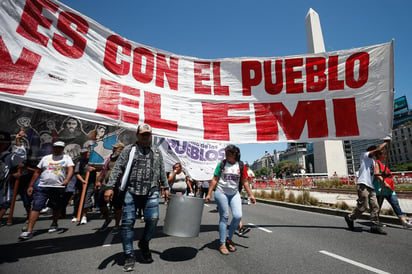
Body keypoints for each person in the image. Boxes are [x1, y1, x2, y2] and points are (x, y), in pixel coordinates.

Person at [104, 123, 170, 271]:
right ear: (138, 135)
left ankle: (144, 243)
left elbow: (161, 170)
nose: (146, 137)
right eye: (143, 135)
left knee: (153, 220)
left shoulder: (156, 151)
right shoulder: (129, 150)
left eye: (148, 134)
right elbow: (117, 168)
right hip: (131, 192)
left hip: (151, 191)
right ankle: (129, 255)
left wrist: (166, 187)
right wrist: (109, 187)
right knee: (127, 224)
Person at [205, 145, 256, 255]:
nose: (226, 155)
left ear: (234, 154)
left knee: (238, 216)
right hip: (221, 192)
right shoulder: (222, 164)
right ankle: (222, 243)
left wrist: (251, 195)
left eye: (228, 153)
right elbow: (214, 180)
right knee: (225, 216)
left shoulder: (241, 166)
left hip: (234, 193)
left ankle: (229, 238)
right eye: (226, 153)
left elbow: (245, 182)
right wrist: (209, 193)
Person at [19, 141, 74, 240]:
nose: (58, 149)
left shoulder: (67, 158)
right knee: (36, 207)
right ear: (53, 148)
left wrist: (67, 180)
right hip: (43, 186)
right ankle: (29, 231)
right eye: (56, 147)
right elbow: (37, 172)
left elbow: (70, 169)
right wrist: (31, 185)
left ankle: (54, 223)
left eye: (60, 148)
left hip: (58, 187)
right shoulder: (46, 158)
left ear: (63, 149)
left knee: (56, 207)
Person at [344, 140, 389, 235]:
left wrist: (382, 174)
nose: (375, 151)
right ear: (369, 150)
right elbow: (378, 149)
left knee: (375, 206)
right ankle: (350, 217)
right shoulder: (364, 155)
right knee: (363, 206)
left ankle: (374, 225)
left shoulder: (373, 161)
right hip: (363, 184)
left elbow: (375, 173)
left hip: (370, 185)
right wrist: (386, 142)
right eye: (373, 149)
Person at [373, 149, 412, 229]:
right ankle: (375, 221)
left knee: (395, 205)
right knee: (378, 207)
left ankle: (403, 221)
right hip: (381, 189)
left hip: (390, 190)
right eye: (384, 154)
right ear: (379, 155)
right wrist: (385, 183)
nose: (385, 156)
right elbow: (376, 174)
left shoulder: (383, 164)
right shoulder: (377, 163)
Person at [96, 142, 125, 233]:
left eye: (116, 148)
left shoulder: (124, 159)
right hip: (106, 183)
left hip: (118, 185)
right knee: (101, 201)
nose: (113, 149)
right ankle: (107, 219)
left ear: (121, 150)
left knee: (117, 205)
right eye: (114, 148)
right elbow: (104, 170)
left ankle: (117, 225)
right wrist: (98, 180)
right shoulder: (109, 158)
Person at [0, 130, 26, 223]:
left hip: (3, 186)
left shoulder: (9, 156)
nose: (1, 145)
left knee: (5, 203)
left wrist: (18, 141)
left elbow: (20, 157)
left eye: (3, 143)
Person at [73, 149, 97, 224]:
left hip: (90, 183)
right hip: (80, 183)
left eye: (87, 153)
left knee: (87, 199)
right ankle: (76, 215)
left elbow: (100, 169)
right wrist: (83, 181)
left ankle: (84, 216)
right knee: (78, 200)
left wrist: (93, 168)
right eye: (83, 154)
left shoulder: (94, 162)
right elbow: (77, 173)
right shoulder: (79, 162)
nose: (86, 155)